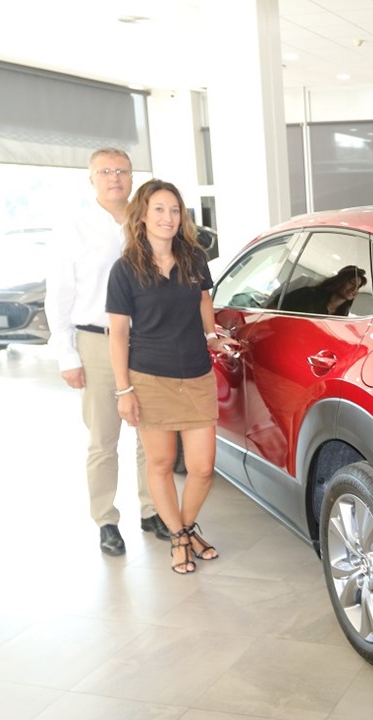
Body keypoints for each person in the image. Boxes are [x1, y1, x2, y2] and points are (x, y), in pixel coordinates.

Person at [106, 179, 237, 574]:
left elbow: (203, 301)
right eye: (159, 209)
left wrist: (213, 337)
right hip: (148, 377)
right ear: (143, 214)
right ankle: (181, 536)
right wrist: (124, 389)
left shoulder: (194, 257)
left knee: (201, 467)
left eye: (175, 210)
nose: (168, 217)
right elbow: (119, 333)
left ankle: (182, 527)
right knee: (161, 463)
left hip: (196, 374)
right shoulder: (125, 269)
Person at [45, 148, 169, 556]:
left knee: (150, 435)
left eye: (122, 171)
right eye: (105, 171)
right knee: (104, 437)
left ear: (132, 177)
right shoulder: (73, 229)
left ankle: (152, 510)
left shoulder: (145, 221)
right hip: (96, 342)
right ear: (92, 179)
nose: (114, 177)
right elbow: (58, 296)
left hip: (147, 339)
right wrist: (67, 356)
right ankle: (106, 521)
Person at [281, 265, 367, 316]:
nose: (354, 289)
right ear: (340, 281)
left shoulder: (341, 316)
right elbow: (274, 308)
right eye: (351, 283)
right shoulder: (309, 294)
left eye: (358, 287)